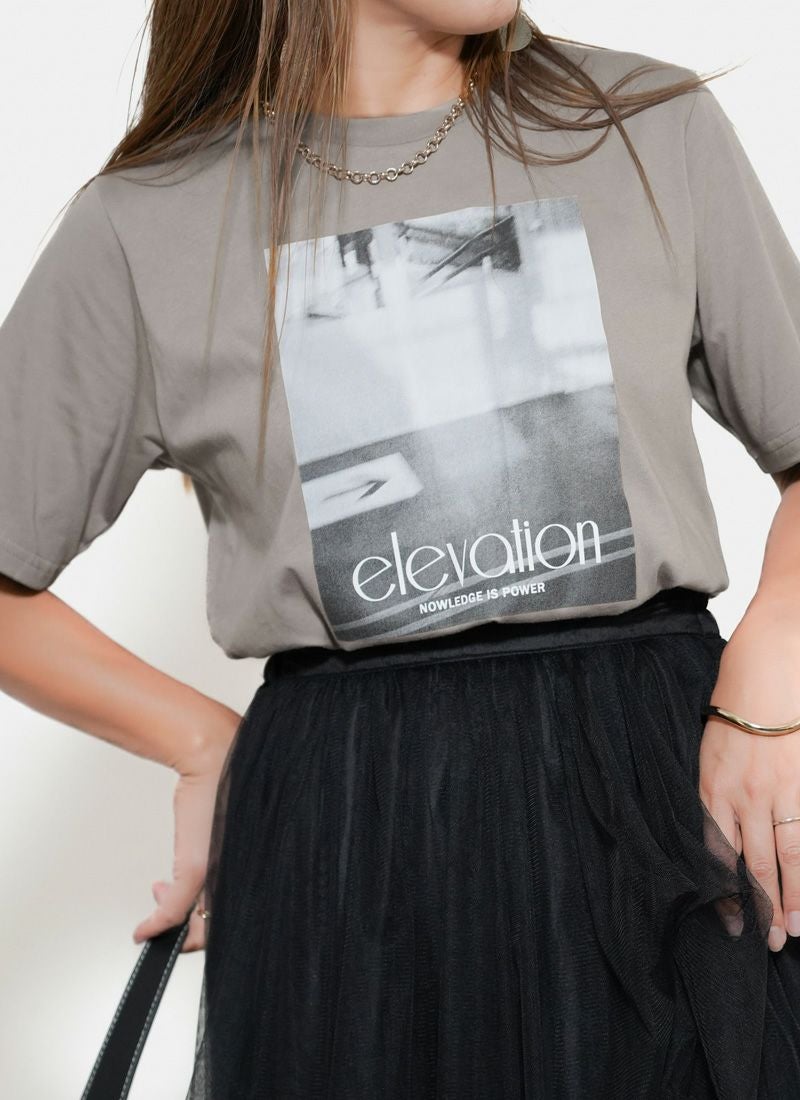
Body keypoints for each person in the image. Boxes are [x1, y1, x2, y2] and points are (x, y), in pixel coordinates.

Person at [2, 0, 800, 1095]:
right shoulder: (150, 221)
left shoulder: (644, 124)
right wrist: (197, 742)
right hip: (350, 835)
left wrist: (772, 663)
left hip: (658, 786)